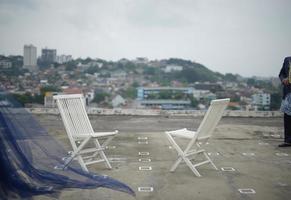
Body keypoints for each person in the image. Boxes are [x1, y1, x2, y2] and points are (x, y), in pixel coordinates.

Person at [278, 56, 291, 147]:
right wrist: (283, 79)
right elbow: (281, 73)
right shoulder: (287, 60)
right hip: (288, 92)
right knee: (287, 117)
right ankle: (288, 140)